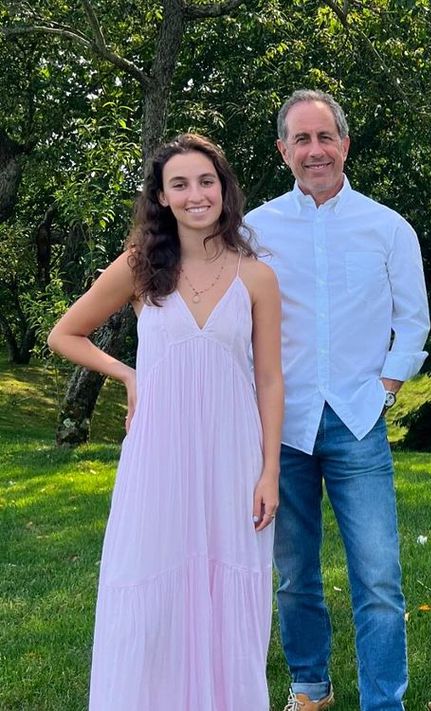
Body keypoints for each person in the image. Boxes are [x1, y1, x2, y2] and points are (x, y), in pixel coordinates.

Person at [48, 133, 283, 710]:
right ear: (161, 196)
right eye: (179, 184)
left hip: (234, 460)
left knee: (228, 591)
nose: (195, 194)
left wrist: (269, 471)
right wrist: (128, 375)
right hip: (158, 459)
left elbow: (272, 380)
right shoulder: (137, 268)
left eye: (206, 181)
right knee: (152, 590)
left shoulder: (257, 277)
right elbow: (64, 334)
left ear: (224, 190)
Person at [246, 89, 430, 711]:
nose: (315, 150)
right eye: (301, 139)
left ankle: (384, 701)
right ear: (283, 151)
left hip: (357, 419)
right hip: (281, 425)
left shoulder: (386, 227)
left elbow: (414, 320)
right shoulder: (256, 230)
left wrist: (388, 385)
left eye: (325, 137)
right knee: (294, 575)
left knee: (378, 577)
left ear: (345, 144)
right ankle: (309, 687)